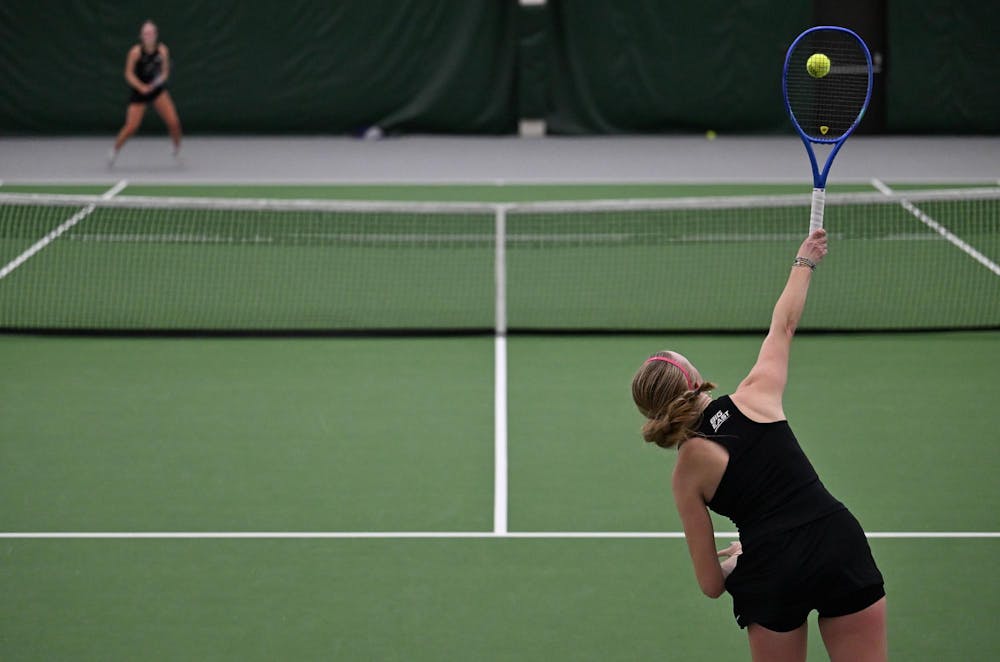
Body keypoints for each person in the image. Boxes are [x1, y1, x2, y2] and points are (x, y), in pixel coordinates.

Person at [631, 228, 886, 662]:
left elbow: (711, 584)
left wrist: (736, 560)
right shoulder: (755, 393)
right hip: (836, 544)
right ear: (693, 380)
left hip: (771, 571)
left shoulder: (685, 475)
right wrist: (804, 260)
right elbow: (783, 325)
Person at [109, 20, 182, 166]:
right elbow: (128, 74)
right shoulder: (135, 52)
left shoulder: (162, 50)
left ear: (156, 35)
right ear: (141, 36)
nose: (148, 36)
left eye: (151, 33)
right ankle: (114, 150)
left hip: (157, 91)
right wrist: (141, 87)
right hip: (139, 92)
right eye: (145, 33)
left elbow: (165, 72)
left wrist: (157, 82)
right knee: (131, 127)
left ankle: (176, 149)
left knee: (174, 122)